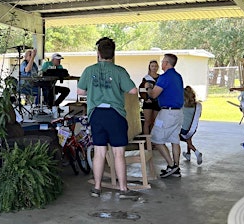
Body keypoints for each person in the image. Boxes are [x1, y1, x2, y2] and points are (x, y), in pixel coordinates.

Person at [77, 37, 139, 199]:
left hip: (96, 114)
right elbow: (133, 91)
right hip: (115, 114)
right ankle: (123, 189)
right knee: (118, 153)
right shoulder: (119, 71)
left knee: (99, 152)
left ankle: (97, 188)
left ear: (98, 53)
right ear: (113, 54)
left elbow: (80, 92)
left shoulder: (89, 70)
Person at [146, 53, 184, 178]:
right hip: (178, 112)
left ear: (167, 63)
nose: (161, 64)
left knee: (156, 138)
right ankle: (176, 167)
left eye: (162, 62)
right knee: (174, 139)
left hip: (167, 113)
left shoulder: (164, 77)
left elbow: (154, 95)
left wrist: (148, 88)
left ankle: (171, 165)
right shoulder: (178, 76)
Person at [180, 86, 203, 165]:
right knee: (189, 140)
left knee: (187, 142)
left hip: (182, 129)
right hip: (192, 128)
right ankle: (188, 154)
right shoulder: (197, 105)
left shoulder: (182, 104)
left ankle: (197, 152)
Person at [138, 60, 161, 134]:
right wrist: (145, 99)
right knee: (147, 121)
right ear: (150, 67)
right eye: (152, 66)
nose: (154, 68)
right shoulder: (146, 78)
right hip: (148, 102)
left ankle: (154, 140)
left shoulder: (160, 77)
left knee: (155, 122)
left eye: (155, 66)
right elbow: (141, 90)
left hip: (157, 101)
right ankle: (147, 142)